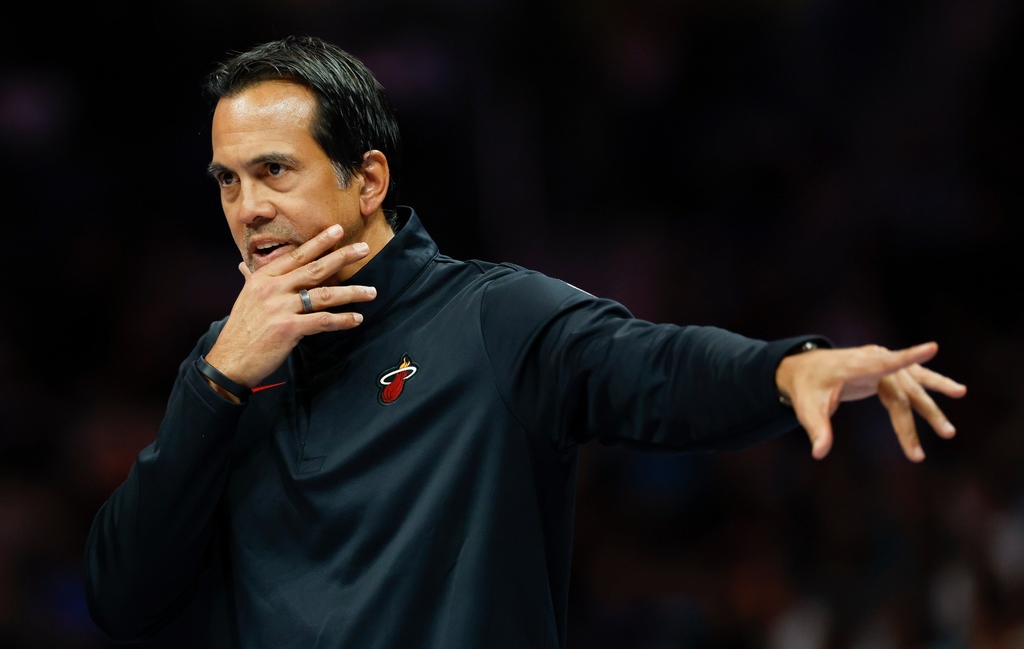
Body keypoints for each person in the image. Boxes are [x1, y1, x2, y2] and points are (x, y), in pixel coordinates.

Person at [83, 35, 967, 648]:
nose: (247, 207)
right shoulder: (224, 364)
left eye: (275, 170)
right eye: (228, 181)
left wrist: (784, 367)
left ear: (367, 180)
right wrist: (213, 384)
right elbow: (122, 599)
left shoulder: (487, 318)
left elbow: (646, 367)